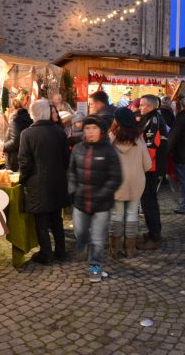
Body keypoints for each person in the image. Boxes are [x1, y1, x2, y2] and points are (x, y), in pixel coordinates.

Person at [69, 115, 122, 282]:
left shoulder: (109, 150)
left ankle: (95, 266)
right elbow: (71, 172)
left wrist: (102, 194)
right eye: (87, 129)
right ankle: (83, 242)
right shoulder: (78, 149)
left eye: (94, 128)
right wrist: (72, 190)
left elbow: (116, 177)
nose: (90, 132)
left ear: (101, 131)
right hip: (80, 202)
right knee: (80, 233)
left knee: (98, 238)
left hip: (102, 204)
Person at [18, 99, 70, 264]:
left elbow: (24, 162)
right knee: (56, 218)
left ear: (33, 114)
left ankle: (46, 254)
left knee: (41, 221)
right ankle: (61, 251)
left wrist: (22, 179)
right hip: (57, 182)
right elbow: (66, 159)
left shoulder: (27, 134)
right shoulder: (59, 132)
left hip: (37, 184)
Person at [108, 108, 152, 259]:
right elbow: (148, 165)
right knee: (132, 214)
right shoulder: (138, 140)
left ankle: (114, 250)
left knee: (116, 215)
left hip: (116, 182)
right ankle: (130, 250)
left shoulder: (110, 139)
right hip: (136, 182)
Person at [137, 94, 169, 250]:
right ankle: (153, 232)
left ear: (150, 106)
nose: (139, 107)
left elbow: (151, 147)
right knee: (149, 202)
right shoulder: (151, 118)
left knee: (148, 203)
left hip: (151, 168)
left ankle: (154, 237)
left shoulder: (153, 120)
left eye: (142, 105)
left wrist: (143, 166)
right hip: (151, 167)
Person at [3, 98, 33, 171]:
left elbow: (15, 141)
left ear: (12, 108)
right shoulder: (29, 118)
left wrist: (2, 147)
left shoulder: (15, 119)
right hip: (26, 159)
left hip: (15, 160)